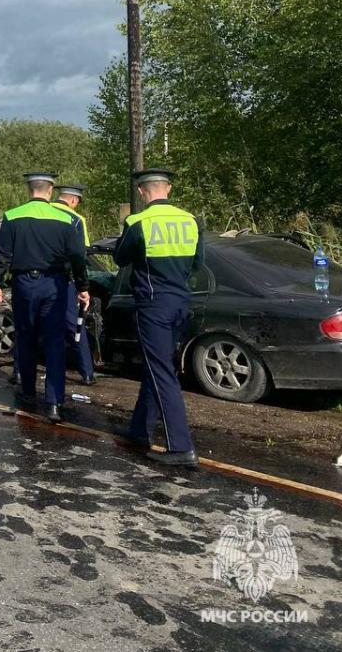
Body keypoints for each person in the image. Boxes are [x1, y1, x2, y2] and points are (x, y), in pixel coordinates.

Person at [114, 168, 204, 468]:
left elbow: (121, 258)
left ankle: (181, 446)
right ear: (169, 189)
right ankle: (140, 429)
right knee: (158, 366)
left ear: (142, 192)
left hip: (153, 305)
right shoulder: (191, 221)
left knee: (162, 372)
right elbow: (198, 264)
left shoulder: (138, 222)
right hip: (181, 302)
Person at [0, 172, 89, 423]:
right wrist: (82, 286)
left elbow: (2, 254)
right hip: (55, 284)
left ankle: (27, 391)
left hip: (24, 284)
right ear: (51, 190)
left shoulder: (12, 216)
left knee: (26, 335)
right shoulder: (67, 218)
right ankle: (54, 403)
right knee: (55, 342)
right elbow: (77, 257)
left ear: (29, 189)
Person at [52, 184, 96, 386]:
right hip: (64, 281)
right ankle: (87, 372)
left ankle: (19, 371)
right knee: (74, 325)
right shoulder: (77, 220)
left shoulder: (43, 212)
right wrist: (83, 288)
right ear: (74, 200)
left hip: (35, 280)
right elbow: (81, 256)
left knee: (31, 325)